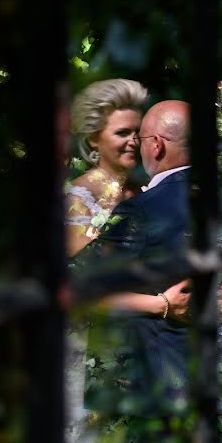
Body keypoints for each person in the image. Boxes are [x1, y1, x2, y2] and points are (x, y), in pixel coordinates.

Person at [76, 99, 193, 417]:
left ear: (156, 145)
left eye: (139, 139)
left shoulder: (141, 210)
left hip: (151, 384)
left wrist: (163, 304)